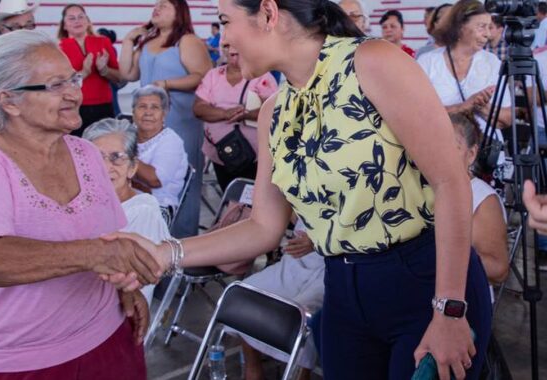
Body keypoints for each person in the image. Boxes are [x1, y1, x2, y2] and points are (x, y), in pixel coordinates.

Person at [108, 0, 494, 378]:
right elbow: (262, 226)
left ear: (269, 13)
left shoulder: (371, 62)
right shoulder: (274, 112)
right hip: (342, 290)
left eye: (227, 21)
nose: (224, 40)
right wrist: (165, 253)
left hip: (425, 282)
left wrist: (449, 309)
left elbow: (451, 182)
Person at [0, 30, 156, 379]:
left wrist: (125, 287)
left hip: (107, 332)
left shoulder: (85, 153)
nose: (74, 92)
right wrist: (91, 255)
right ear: (10, 101)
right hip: (20, 358)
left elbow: (108, 238)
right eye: (56, 85)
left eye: (73, 79)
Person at [119, 0, 212, 238]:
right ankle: (152, 234)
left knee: (180, 181)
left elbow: (203, 76)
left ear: (179, 12)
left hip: (180, 119)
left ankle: (182, 241)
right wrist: (129, 41)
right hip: (148, 120)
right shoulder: (148, 42)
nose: (157, 8)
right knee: (143, 177)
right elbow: (127, 73)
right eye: (156, 4)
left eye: (165, 5)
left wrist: (167, 84)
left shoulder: (187, 41)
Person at [83, 118, 171, 305]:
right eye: (96, 158)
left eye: (117, 158)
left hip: (116, 308)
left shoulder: (142, 210)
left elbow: (129, 282)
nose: (106, 167)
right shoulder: (84, 202)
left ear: (132, 168)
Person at [417, 0, 512, 158]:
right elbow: (418, 115)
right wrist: (465, 106)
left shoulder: (492, 62)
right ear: (460, 26)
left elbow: (507, 119)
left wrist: (481, 106)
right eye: (481, 26)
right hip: (437, 153)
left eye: (489, 27)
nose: (487, 34)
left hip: (484, 156)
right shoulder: (428, 62)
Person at [238, 219, 324, 380]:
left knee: (301, 314)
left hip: (332, 268)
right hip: (295, 262)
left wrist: (317, 243)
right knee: (245, 294)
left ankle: (301, 375)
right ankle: (253, 368)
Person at [194, 43, 278, 190]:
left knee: (249, 201)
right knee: (231, 198)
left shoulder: (261, 76)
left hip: (255, 156)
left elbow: (275, 111)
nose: (232, 50)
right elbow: (198, 109)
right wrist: (225, 113)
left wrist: (246, 115)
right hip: (219, 154)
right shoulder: (213, 75)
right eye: (227, 46)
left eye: (238, 45)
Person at [450, 113, 509, 285]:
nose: (441, 153)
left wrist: (438, 252)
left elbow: (498, 269)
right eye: (436, 144)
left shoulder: (482, 198)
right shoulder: (424, 186)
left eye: (453, 146)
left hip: (465, 301)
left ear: (471, 153)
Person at [58, 4, 121, 137]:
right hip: (74, 108)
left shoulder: (103, 42)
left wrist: (104, 70)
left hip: (104, 106)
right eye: (71, 18)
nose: (77, 21)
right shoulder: (59, 48)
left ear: (87, 21)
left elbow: (119, 78)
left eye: (81, 17)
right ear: (64, 25)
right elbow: (60, 85)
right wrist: (84, 73)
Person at [131, 85, 188, 211]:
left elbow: (155, 180)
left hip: (158, 206)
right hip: (128, 198)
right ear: (133, 112)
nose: (148, 113)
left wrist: (124, 154)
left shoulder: (171, 141)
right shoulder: (127, 134)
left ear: (164, 114)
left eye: (155, 107)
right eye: (142, 106)